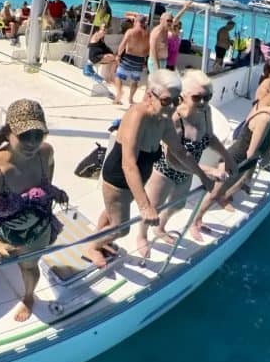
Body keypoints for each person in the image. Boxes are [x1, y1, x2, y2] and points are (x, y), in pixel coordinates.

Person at [87, 70, 210, 266]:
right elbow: (128, 164)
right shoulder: (138, 115)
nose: (171, 107)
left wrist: (202, 175)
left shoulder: (163, 118)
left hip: (136, 179)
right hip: (118, 178)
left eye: (176, 101)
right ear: (149, 96)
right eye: (166, 101)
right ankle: (93, 247)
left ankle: (99, 239)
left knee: (112, 212)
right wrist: (145, 206)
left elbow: (180, 151)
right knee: (121, 228)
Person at [0, 99, 68, 322]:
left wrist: (52, 190)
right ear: (8, 133)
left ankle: (28, 296)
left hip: (37, 227)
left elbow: (48, 174)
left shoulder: (46, 152)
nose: (32, 142)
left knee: (29, 267)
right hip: (1, 230)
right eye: (25, 136)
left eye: (38, 135)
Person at [190, 82, 270, 241]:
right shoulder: (266, 118)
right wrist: (251, 165)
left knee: (219, 192)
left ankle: (199, 219)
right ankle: (195, 223)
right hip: (236, 158)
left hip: (242, 159)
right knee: (214, 193)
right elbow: (251, 151)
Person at [137, 71, 234, 256]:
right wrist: (207, 172)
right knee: (153, 209)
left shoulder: (205, 112)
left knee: (177, 205)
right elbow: (174, 157)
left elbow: (210, 138)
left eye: (208, 97)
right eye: (197, 97)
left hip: (189, 170)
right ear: (183, 96)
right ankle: (142, 236)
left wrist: (227, 157)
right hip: (165, 170)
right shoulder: (174, 119)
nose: (204, 102)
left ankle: (161, 228)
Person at [110, 15, 150, 106]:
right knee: (134, 81)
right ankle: (131, 99)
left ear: (136, 21)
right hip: (139, 60)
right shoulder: (147, 34)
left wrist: (118, 55)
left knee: (118, 76)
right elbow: (148, 49)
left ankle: (119, 94)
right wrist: (145, 61)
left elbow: (122, 44)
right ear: (144, 23)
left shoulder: (130, 32)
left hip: (128, 58)